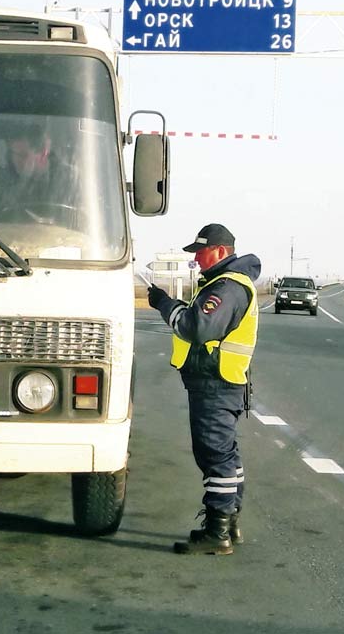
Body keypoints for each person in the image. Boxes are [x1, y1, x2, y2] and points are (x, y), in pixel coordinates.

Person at [146, 223, 261, 555]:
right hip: (220, 383)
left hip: (216, 384)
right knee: (226, 454)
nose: (196, 259)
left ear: (221, 251)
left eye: (200, 251)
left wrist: (166, 305)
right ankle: (230, 523)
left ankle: (217, 532)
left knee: (214, 455)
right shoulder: (223, 285)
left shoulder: (228, 287)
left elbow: (195, 327)